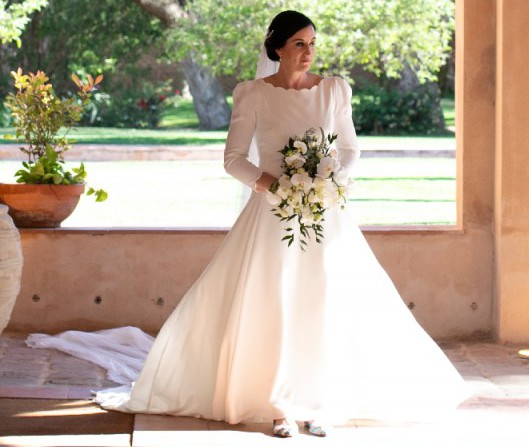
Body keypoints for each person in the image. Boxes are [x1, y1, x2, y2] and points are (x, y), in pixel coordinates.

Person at [32, 9, 469, 439]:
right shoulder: (253, 94)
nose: (309, 52)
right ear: (277, 48)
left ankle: (317, 404)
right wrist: (274, 185)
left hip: (324, 216)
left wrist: (330, 180)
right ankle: (279, 407)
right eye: (299, 43)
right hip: (273, 216)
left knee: (323, 304)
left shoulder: (335, 90)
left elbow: (351, 149)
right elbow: (234, 159)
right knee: (274, 305)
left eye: (312, 43)